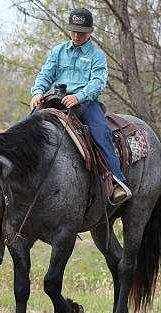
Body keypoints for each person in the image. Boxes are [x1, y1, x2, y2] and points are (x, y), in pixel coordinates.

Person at [30, 7, 132, 204]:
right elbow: (46, 74)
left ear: (91, 31)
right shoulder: (58, 51)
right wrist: (37, 91)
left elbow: (98, 82)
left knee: (101, 132)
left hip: (84, 103)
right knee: (26, 127)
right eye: (74, 30)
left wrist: (79, 96)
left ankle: (117, 179)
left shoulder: (97, 55)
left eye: (81, 32)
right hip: (55, 100)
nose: (77, 35)